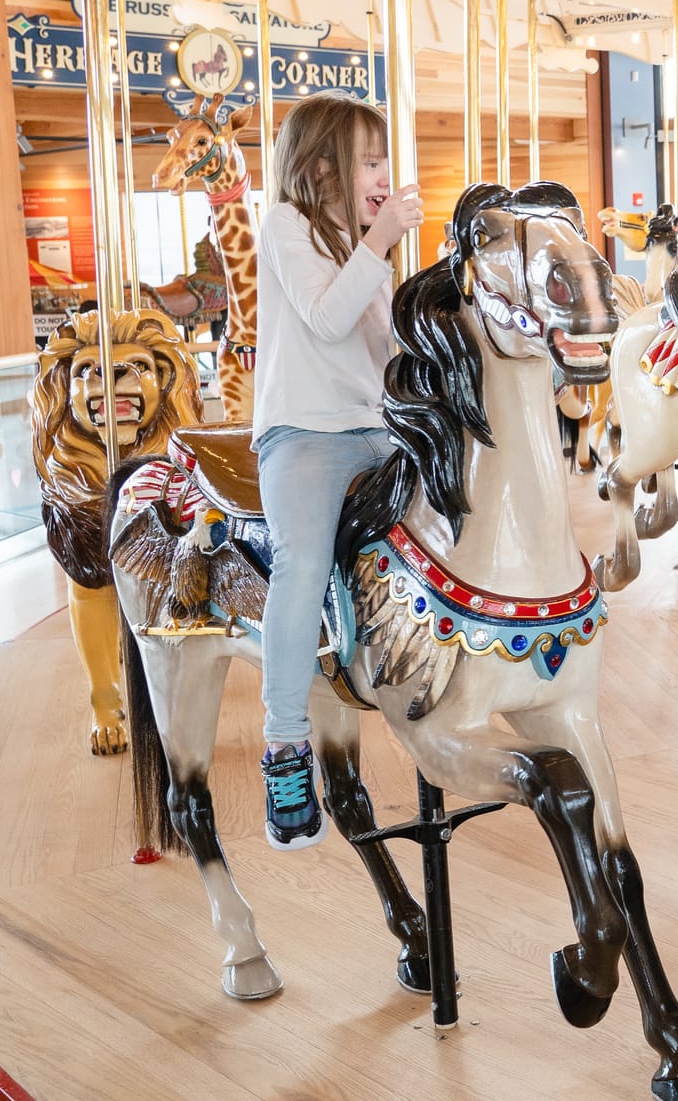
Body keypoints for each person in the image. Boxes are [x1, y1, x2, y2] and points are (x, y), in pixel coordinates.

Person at [252, 91, 424, 851]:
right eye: (371, 160)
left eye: (385, 159)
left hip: (371, 429)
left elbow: (383, 352)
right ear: (323, 167)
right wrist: (380, 242)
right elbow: (324, 319)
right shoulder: (288, 227)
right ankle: (285, 744)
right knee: (301, 564)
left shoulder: (363, 247)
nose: (384, 174)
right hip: (303, 434)